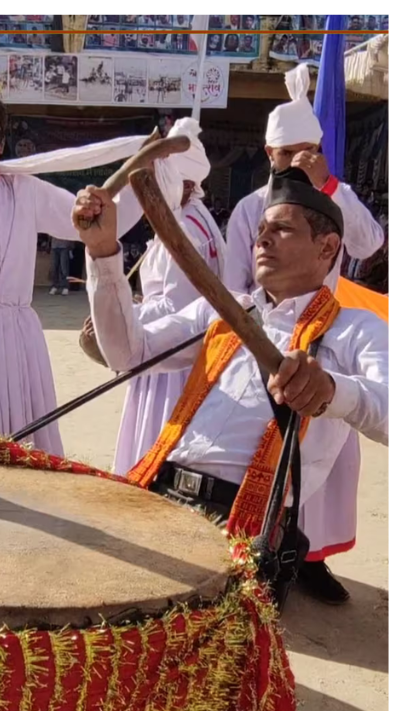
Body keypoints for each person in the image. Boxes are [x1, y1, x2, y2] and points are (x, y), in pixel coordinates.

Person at [74, 167, 387, 605]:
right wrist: (104, 252)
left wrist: (333, 390)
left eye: (281, 229)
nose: (262, 239)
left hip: (242, 526)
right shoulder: (223, 309)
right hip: (161, 493)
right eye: (261, 229)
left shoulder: (354, 330)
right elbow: (126, 352)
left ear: (328, 247)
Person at [0, 85, 165, 454]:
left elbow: (98, 226)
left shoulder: (25, 191)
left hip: (18, 339)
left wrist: (145, 165)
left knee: (26, 448)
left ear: (1, 141)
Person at [221, 63, 386, 601]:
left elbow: (368, 244)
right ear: (268, 156)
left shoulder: (336, 196)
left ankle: (309, 557)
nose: (294, 162)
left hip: (331, 343)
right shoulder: (251, 209)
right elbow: (233, 287)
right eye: (284, 153)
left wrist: (328, 186)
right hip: (266, 343)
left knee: (328, 463)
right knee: (267, 458)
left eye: (305, 151)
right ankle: (267, 547)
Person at [112, 118, 239, 478]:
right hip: (178, 348)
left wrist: (130, 314)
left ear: (183, 182)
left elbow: (177, 308)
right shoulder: (195, 219)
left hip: (172, 356)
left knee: (158, 442)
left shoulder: (185, 230)